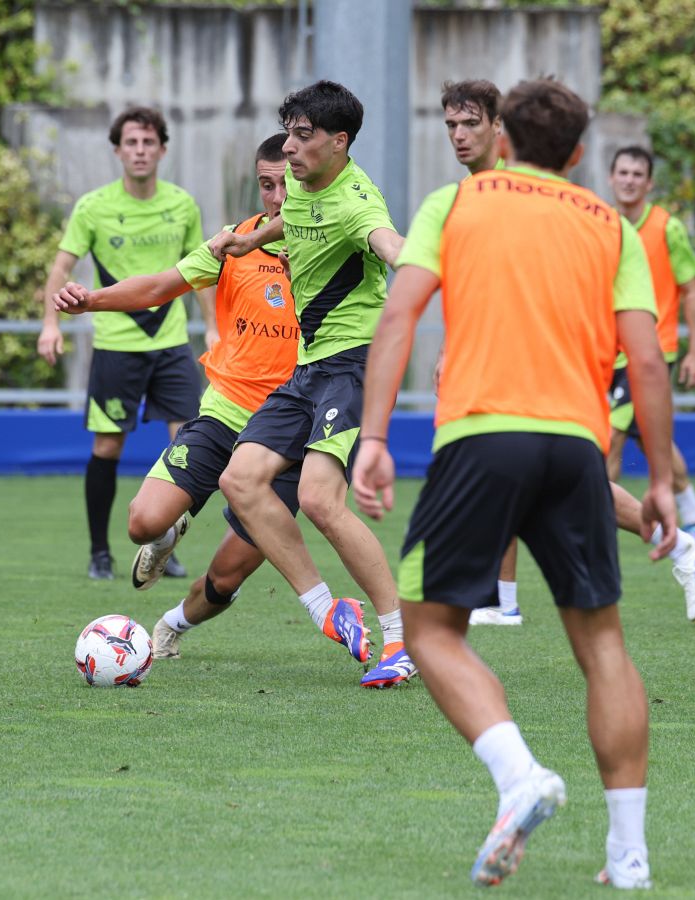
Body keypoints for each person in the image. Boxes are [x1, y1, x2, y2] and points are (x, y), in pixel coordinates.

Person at [353, 79, 672, 889]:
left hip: (481, 437)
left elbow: (400, 315)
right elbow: (645, 359)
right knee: (602, 645)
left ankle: (518, 775)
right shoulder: (610, 225)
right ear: (575, 153)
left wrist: (375, 436)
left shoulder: (452, 206)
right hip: (575, 448)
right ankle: (628, 856)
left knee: (428, 630)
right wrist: (659, 479)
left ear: (502, 139)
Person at [438, 82, 695, 625]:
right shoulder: (475, 191)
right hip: (508, 355)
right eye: (450, 125)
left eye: (470, 124)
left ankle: (506, 597)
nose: (458, 136)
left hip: (553, 356)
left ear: (502, 130)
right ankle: (503, 598)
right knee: (549, 472)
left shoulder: (523, 192)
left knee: (556, 468)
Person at [52, 135, 300, 643]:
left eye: (287, 184)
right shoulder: (232, 243)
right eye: (266, 185)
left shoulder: (334, 248)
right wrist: (90, 300)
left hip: (289, 431)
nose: (276, 197)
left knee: (227, 575)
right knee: (142, 523)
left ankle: (169, 627)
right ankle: (167, 534)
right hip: (227, 413)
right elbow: (159, 287)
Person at [209, 80, 416, 688]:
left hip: (354, 364)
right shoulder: (300, 189)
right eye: (290, 133)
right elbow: (295, 221)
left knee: (322, 501)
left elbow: (387, 242)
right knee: (239, 479)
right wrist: (251, 238)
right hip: (309, 365)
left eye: (303, 137)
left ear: (338, 141)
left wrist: (426, 262)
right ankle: (330, 609)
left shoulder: (358, 203)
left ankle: (400, 642)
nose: (289, 150)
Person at [37, 106, 216, 581]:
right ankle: (100, 552)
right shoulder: (93, 207)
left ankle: (164, 543)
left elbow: (202, 275)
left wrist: (215, 329)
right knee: (108, 447)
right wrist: (49, 325)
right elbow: (60, 270)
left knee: (191, 449)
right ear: (117, 151)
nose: (140, 151)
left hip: (172, 343)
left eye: (149, 142)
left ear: (162, 150)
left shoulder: (182, 205)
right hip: (116, 346)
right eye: (131, 143)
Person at [608, 145, 695, 538]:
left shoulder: (667, 227)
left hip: (653, 349)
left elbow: (691, 290)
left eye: (637, 174)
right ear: (611, 177)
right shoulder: (603, 225)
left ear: (649, 183)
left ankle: (596, 521)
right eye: (623, 172)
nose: (629, 180)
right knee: (649, 433)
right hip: (609, 350)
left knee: (611, 434)